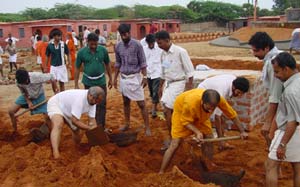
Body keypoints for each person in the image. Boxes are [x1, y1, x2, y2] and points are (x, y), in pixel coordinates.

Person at [159, 89, 248, 174]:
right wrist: (197, 132)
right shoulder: (190, 103)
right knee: (175, 144)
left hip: (201, 116)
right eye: (208, 108)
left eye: (213, 109)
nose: (211, 111)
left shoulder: (219, 100)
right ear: (202, 102)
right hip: (182, 115)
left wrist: (242, 131)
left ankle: (208, 164)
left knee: (209, 137)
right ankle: (161, 171)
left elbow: (232, 115)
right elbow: (185, 122)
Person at [265, 52, 300, 187]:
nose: (275, 75)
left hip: (290, 131)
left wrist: (282, 145)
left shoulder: (290, 91)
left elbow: (292, 121)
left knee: (271, 165)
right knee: (297, 167)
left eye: (277, 72)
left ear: (286, 69)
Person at [155, 30, 194, 150]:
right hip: (168, 84)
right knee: (168, 110)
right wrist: (160, 88)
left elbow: (190, 73)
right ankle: (175, 136)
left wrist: (188, 91)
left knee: (168, 110)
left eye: (160, 43)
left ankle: (174, 137)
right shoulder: (163, 54)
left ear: (167, 40)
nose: (159, 46)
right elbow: (163, 72)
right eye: (158, 43)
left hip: (179, 84)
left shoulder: (180, 52)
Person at [114, 24, 151, 136]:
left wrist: (145, 77)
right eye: (122, 35)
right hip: (124, 77)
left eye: (125, 34)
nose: (124, 37)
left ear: (129, 33)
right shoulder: (118, 46)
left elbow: (143, 63)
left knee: (141, 104)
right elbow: (118, 63)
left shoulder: (137, 45)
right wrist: (115, 78)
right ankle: (127, 123)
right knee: (126, 102)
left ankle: (147, 127)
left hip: (135, 78)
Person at [47, 87, 104, 158]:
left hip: (68, 109)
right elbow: (74, 121)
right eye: (96, 101)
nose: (97, 103)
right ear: (90, 96)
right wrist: (88, 128)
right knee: (58, 124)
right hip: (56, 104)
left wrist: (96, 134)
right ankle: (56, 153)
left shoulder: (93, 101)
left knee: (76, 129)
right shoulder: (79, 99)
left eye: (99, 102)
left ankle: (76, 146)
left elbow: (92, 120)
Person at [248, 32, 283, 148]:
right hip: (285, 104)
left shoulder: (274, 63)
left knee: (271, 135)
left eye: (256, 51)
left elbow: (276, 94)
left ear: (266, 48)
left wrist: (268, 122)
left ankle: (274, 155)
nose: (254, 54)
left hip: (286, 105)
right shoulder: (278, 56)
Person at [198, 75, 250, 150]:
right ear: (234, 87)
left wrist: (242, 131)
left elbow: (232, 114)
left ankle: (222, 142)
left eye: (241, 93)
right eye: (238, 92)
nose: (239, 95)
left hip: (213, 91)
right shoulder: (222, 91)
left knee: (222, 117)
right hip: (203, 93)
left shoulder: (235, 81)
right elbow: (217, 117)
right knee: (207, 120)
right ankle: (211, 141)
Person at [75, 33, 112, 129]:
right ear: (87, 42)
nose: (94, 46)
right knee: (91, 103)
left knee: (102, 104)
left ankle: (101, 126)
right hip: (88, 82)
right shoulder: (81, 52)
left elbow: (108, 64)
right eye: (92, 44)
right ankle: (93, 126)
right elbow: (77, 68)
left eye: (95, 44)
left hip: (101, 81)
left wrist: (111, 79)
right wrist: (75, 84)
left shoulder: (103, 50)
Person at [8, 68, 58, 134]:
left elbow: (52, 77)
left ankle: (51, 135)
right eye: (23, 83)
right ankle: (15, 132)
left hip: (39, 96)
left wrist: (56, 92)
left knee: (47, 116)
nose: (25, 84)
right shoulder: (18, 81)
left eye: (26, 82)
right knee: (11, 111)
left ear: (28, 76)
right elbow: (23, 92)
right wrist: (29, 102)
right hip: (27, 96)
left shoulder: (37, 76)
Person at [143, 34, 162, 118]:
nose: (151, 44)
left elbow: (165, 59)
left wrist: (165, 71)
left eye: (152, 43)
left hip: (158, 73)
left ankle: (154, 109)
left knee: (155, 91)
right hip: (149, 74)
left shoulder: (159, 49)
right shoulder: (144, 49)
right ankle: (155, 106)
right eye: (149, 43)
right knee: (151, 92)